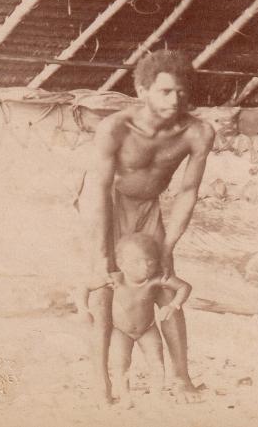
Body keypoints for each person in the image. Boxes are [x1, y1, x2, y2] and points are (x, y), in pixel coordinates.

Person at [78, 50, 214, 404]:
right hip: (107, 203)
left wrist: (167, 248)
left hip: (149, 206)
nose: (175, 99)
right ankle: (100, 383)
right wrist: (101, 256)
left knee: (165, 286)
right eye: (165, 91)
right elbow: (97, 190)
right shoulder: (115, 128)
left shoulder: (198, 132)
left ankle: (182, 378)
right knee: (104, 289)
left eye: (181, 92)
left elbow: (188, 191)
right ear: (142, 90)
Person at [76, 233, 192, 408]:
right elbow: (84, 286)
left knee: (156, 361)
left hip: (148, 329)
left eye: (150, 261)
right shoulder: (115, 279)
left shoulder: (155, 280)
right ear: (121, 263)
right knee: (120, 363)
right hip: (121, 331)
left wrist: (173, 305)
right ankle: (125, 397)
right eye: (137, 262)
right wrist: (82, 309)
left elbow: (184, 287)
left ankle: (156, 394)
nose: (145, 267)